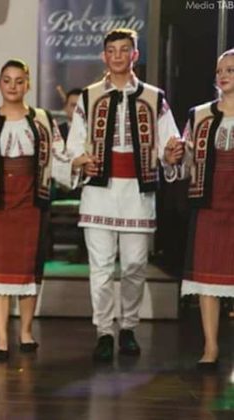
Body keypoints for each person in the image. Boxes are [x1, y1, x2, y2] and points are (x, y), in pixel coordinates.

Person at [60, 28, 182, 362]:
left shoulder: (154, 98)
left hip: (137, 193)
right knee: (100, 268)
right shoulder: (88, 97)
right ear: (104, 56)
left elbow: (169, 143)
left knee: (134, 265)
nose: (117, 56)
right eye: (111, 50)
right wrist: (80, 159)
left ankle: (128, 326)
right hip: (99, 192)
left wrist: (171, 153)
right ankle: (104, 331)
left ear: (134, 55)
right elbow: (73, 146)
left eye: (124, 49)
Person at [0, 59, 69, 360]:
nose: (13, 86)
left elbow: (60, 156)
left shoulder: (42, 119)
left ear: (28, 84)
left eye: (19, 80)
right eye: (7, 80)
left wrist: (76, 163)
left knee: (27, 270)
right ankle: (0, 336)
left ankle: (25, 331)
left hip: (31, 199)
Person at [174, 48, 234, 371]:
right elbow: (186, 161)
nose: (223, 75)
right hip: (210, 199)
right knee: (208, 275)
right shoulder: (199, 116)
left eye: (230, 70)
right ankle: (210, 346)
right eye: (220, 70)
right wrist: (174, 155)